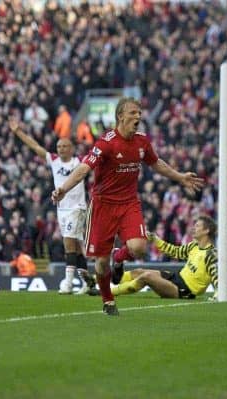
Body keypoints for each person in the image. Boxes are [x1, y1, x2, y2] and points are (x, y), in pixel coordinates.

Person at [51, 97, 205, 315]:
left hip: (129, 203)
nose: (138, 117)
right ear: (120, 116)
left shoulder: (142, 141)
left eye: (140, 113)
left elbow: (157, 163)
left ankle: (120, 258)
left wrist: (180, 177)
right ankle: (108, 300)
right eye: (133, 113)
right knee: (101, 263)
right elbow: (84, 168)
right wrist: (64, 189)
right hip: (103, 205)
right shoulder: (106, 142)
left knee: (139, 248)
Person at [10, 119, 98, 295]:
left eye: (64, 146)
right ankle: (88, 282)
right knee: (74, 246)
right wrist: (18, 132)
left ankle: (68, 282)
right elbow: (35, 147)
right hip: (62, 209)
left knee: (68, 242)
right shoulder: (54, 161)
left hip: (77, 207)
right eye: (58, 147)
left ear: (71, 148)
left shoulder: (80, 162)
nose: (61, 149)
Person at [112, 216, 222, 300]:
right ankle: (114, 278)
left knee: (147, 276)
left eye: (197, 226)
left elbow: (217, 277)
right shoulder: (194, 245)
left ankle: (109, 291)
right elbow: (175, 251)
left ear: (206, 231)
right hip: (176, 277)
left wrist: (218, 294)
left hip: (185, 291)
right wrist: (155, 239)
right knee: (139, 272)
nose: (193, 228)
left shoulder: (211, 254)